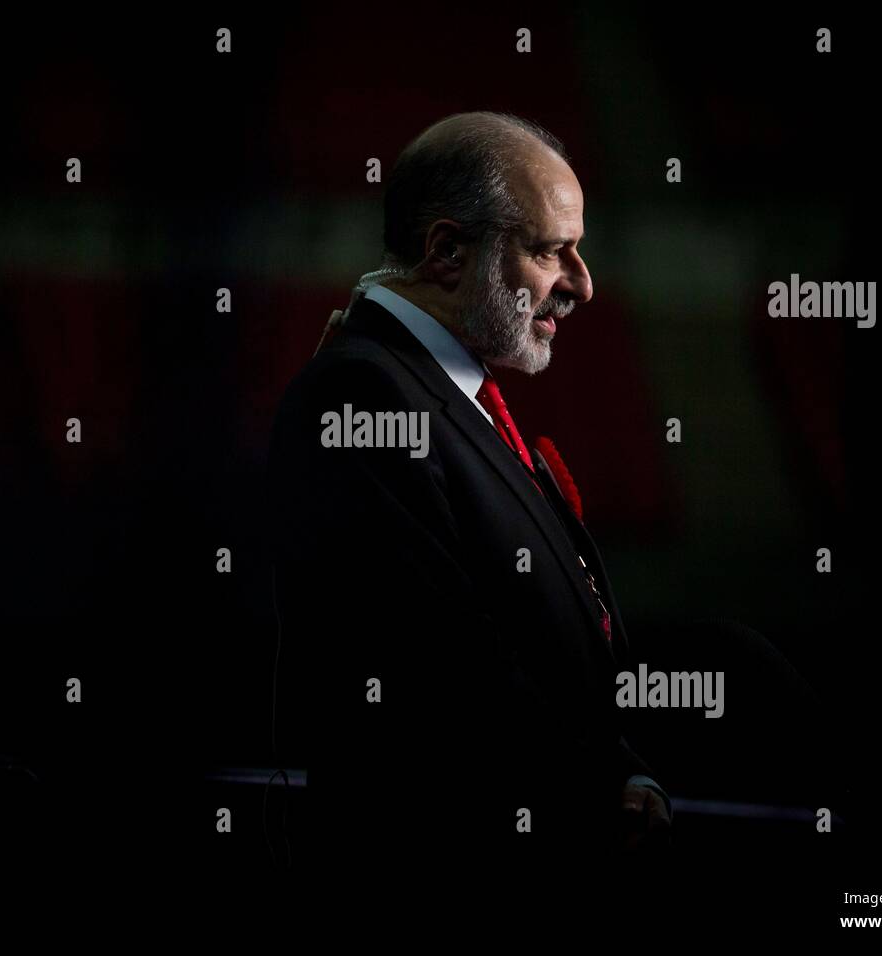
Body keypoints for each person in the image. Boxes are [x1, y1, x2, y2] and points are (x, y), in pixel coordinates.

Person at [267, 112, 670, 878]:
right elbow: (440, 662)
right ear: (448, 252)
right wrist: (604, 776)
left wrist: (626, 762)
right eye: (552, 251)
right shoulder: (363, 392)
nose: (582, 283)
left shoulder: (451, 397)